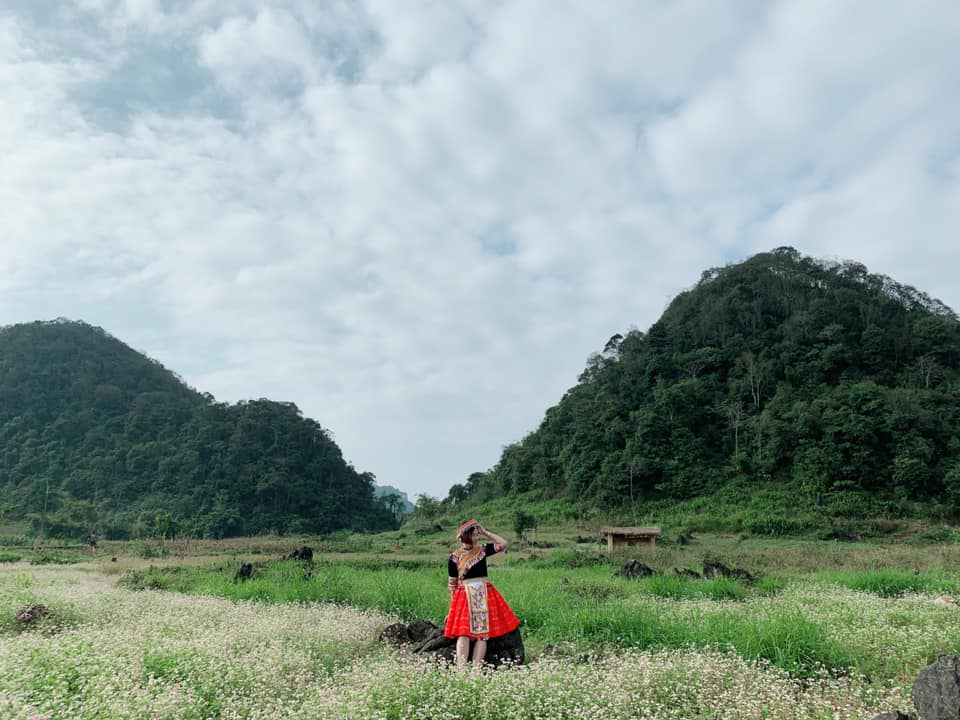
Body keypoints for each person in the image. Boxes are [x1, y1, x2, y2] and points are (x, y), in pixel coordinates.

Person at [443, 519, 520, 667]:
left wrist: (485, 532)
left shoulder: (482, 550)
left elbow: (504, 544)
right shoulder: (454, 557)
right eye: (473, 535)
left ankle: (476, 670)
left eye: (477, 535)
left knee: (482, 635)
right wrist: (451, 611)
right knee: (463, 633)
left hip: (483, 594)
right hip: (464, 596)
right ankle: (461, 670)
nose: (476, 538)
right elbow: (452, 585)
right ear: (465, 536)